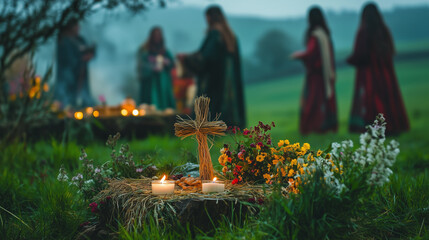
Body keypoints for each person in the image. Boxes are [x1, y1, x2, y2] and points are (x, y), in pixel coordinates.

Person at [347, 3, 409, 134]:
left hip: (368, 74)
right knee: (388, 97)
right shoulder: (383, 30)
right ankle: (392, 126)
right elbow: (390, 51)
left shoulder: (363, 32)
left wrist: (349, 60)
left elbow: (360, 54)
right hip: (385, 73)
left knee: (371, 100)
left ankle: (373, 128)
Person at [181, 5, 246, 129]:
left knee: (213, 102)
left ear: (209, 17)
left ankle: (212, 127)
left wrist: (186, 59)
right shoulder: (230, 36)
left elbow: (206, 58)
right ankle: (231, 126)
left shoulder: (215, 34)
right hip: (229, 79)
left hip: (215, 79)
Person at [291, 7, 338, 135]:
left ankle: (313, 127)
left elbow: (311, 54)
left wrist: (299, 56)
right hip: (326, 74)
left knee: (312, 102)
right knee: (324, 101)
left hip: (316, 76)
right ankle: (326, 127)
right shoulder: (325, 35)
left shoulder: (315, 36)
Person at [55, 19, 96, 108]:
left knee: (84, 94)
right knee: (67, 96)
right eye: (76, 26)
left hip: (81, 73)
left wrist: (90, 55)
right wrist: (81, 59)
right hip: (68, 75)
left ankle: (85, 105)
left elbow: (87, 51)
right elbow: (67, 59)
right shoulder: (64, 41)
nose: (78, 28)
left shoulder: (80, 40)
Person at [137, 27, 175, 110]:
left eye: (159, 35)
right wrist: (151, 67)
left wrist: (166, 62)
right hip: (151, 81)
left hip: (163, 81)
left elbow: (172, 63)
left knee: (165, 105)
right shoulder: (146, 51)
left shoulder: (165, 51)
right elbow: (142, 65)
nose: (157, 38)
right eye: (155, 35)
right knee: (150, 104)